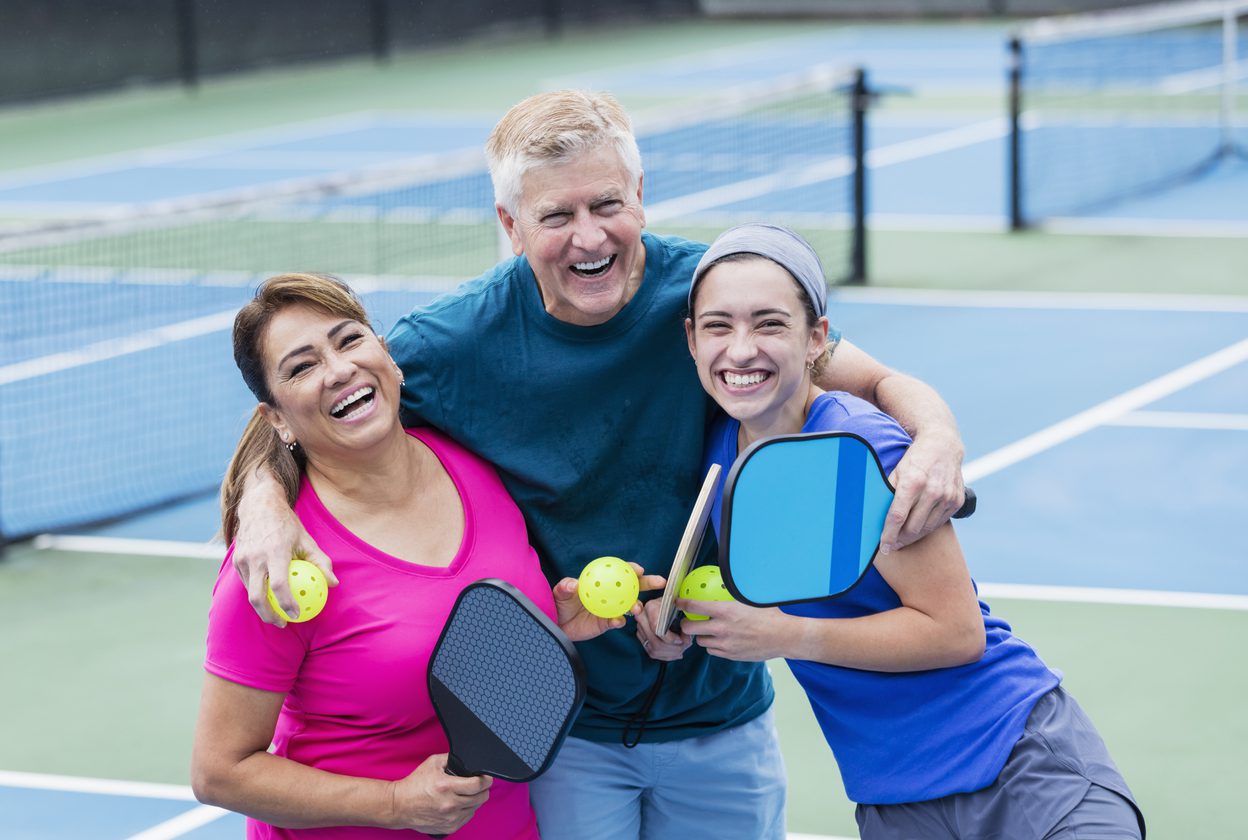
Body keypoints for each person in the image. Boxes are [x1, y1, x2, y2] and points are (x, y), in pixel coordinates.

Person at [228, 91, 970, 840]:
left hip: (722, 715)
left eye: (606, 203)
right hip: (566, 733)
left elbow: (877, 381)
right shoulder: (451, 343)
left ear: (641, 198)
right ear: (511, 227)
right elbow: (319, 404)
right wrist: (263, 501)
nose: (589, 237)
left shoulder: (714, 301)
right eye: (556, 216)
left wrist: (937, 435)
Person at [675, 223, 1145, 840]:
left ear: (817, 337)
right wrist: (682, 625)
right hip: (894, 794)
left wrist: (782, 635)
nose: (741, 350)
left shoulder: (863, 446)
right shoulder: (720, 453)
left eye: (769, 324)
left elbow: (955, 632)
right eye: (719, 326)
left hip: (1013, 761)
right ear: (691, 338)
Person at [191, 273, 655, 839]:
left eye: (349, 340)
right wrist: (392, 803)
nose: (339, 370)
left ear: (387, 354)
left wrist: (551, 625)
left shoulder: (475, 467)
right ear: (277, 419)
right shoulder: (276, 565)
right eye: (302, 366)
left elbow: (451, 643)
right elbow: (219, 772)